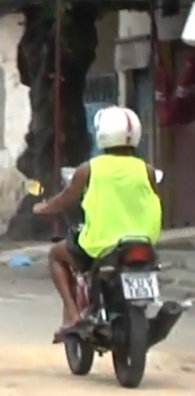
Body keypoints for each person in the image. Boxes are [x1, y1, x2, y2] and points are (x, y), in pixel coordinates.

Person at [32, 106, 161, 343]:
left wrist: (43, 208)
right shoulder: (147, 170)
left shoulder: (89, 169)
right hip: (143, 242)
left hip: (101, 245)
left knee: (56, 255)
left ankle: (72, 316)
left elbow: (65, 199)